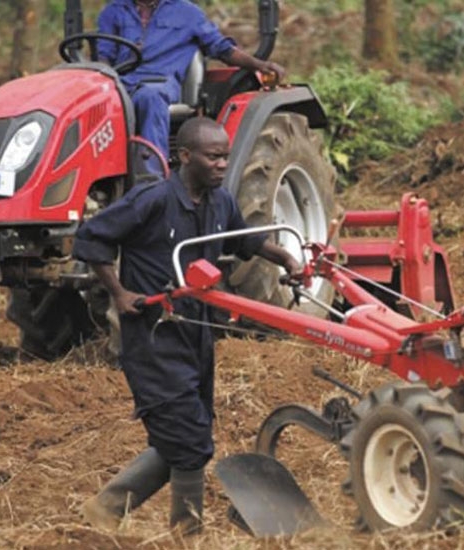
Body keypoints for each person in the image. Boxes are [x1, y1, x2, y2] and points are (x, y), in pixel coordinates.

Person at [74, 117, 301, 533]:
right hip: (153, 335)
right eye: (214, 157)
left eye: (226, 157)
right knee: (192, 440)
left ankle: (103, 511)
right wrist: (119, 292)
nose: (221, 164)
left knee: (179, 438)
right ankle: (187, 533)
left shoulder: (221, 201)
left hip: (197, 333)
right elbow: (92, 237)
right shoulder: (153, 200)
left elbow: (242, 238)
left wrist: (282, 256)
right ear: (185, 157)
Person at [97, 0, 286, 161]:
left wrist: (259, 64)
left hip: (160, 82)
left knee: (149, 97)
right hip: (122, 82)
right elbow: (104, 54)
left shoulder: (187, 13)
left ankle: (151, 179)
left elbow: (222, 49)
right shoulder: (114, 11)